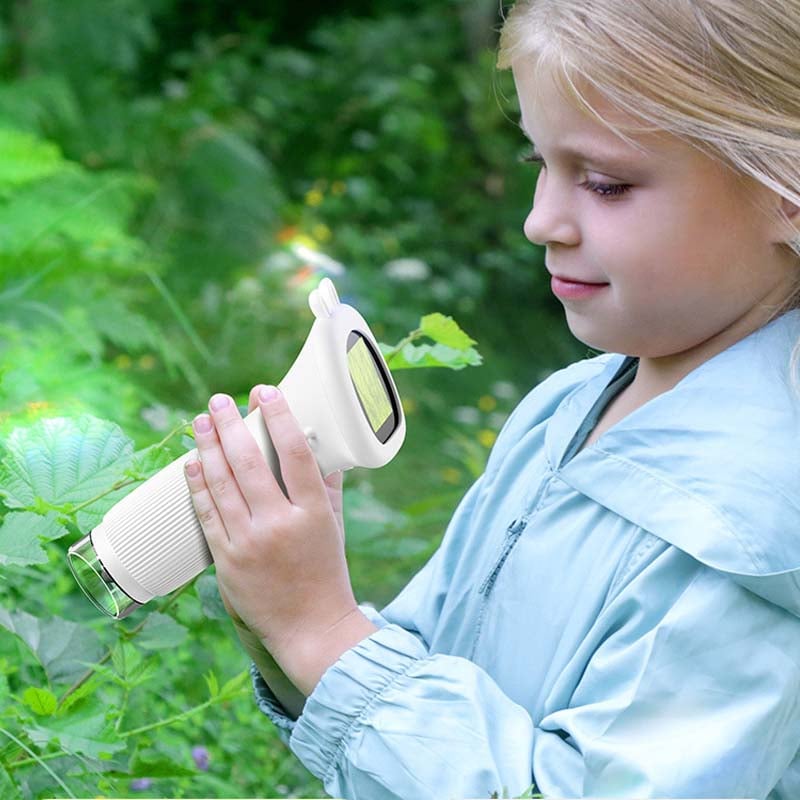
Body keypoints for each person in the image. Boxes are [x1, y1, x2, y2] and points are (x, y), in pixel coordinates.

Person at [182, 0, 800, 797]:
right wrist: (290, 608)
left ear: (784, 191)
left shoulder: (751, 529)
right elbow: (430, 661)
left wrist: (322, 634)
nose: (542, 220)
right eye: (540, 164)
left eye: (607, 184)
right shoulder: (571, 404)